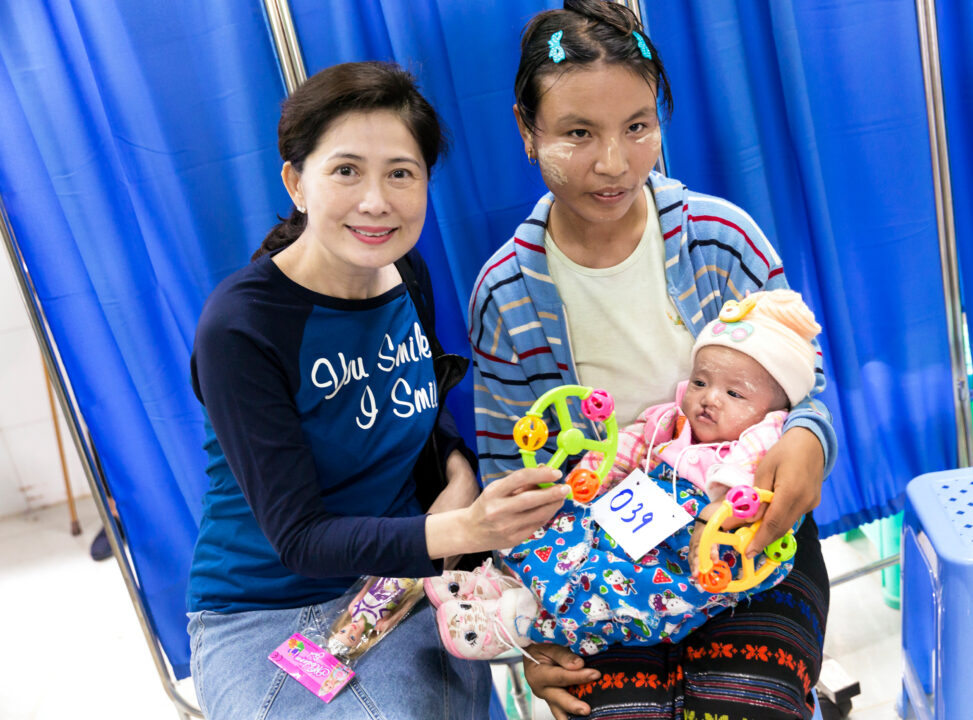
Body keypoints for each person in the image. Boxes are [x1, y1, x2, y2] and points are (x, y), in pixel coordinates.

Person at [468, 2, 837, 718]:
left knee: (746, 707)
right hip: (595, 569)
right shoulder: (508, 294)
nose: (614, 163)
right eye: (578, 133)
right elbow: (507, 481)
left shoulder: (722, 239)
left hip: (741, 543)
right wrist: (532, 635)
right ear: (525, 128)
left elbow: (808, 390)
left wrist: (805, 441)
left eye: (638, 126)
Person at [185, 61, 568, 720]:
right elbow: (300, 538)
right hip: (261, 608)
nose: (376, 200)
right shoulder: (242, 326)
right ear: (295, 182)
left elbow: (418, 401)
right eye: (345, 170)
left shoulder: (404, 272)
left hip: (409, 581)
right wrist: (457, 526)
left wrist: (455, 469)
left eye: (401, 172)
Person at [431, 289, 821, 661]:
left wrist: (711, 516)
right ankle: (504, 582)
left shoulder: (765, 438)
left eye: (734, 394)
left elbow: (748, 487)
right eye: (701, 382)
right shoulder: (674, 422)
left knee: (621, 593)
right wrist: (592, 477)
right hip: (635, 520)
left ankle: (523, 619)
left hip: (696, 552)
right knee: (565, 527)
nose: (709, 397)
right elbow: (631, 446)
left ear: (775, 408)